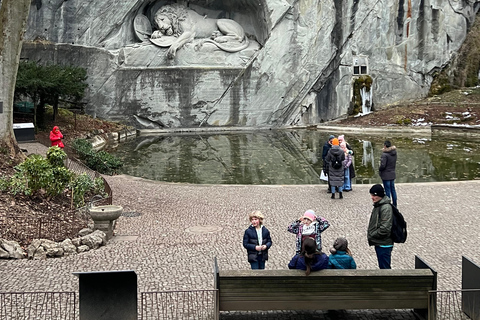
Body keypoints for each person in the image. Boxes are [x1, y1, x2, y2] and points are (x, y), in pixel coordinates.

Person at [367, 184, 394, 269]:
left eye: (374, 195)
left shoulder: (385, 208)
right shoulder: (378, 205)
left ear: (379, 195)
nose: (372, 197)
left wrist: (373, 234)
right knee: (383, 266)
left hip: (384, 244)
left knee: (385, 268)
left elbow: (385, 229)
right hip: (380, 243)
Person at [379, 140, 397, 207]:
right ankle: (395, 204)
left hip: (386, 174)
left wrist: (380, 169)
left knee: (387, 191)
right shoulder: (394, 153)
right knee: (393, 190)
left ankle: (388, 205)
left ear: (385, 146)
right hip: (392, 173)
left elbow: (383, 165)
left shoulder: (384, 155)